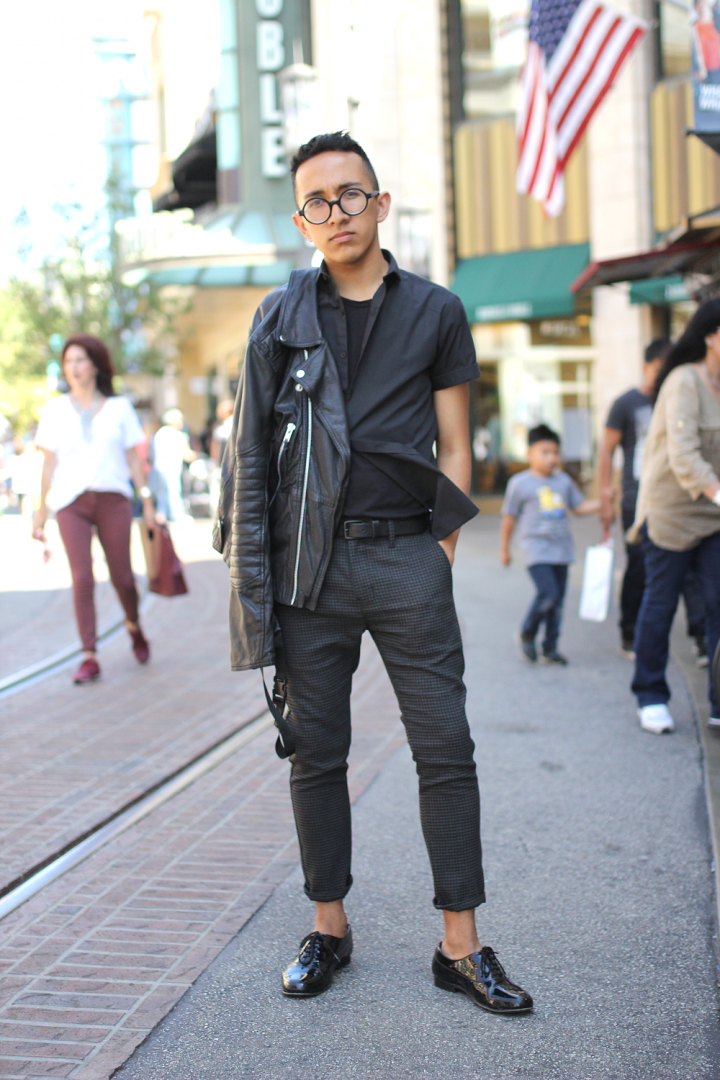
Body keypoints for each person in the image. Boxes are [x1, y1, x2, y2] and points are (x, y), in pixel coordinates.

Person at [214, 131, 533, 1014]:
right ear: (301, 222)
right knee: (316, 755)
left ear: (381, 204)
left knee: (446, 749)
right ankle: (329, 927)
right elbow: (250, 454)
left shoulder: (437, 309)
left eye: (351, 195)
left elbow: (459, 442)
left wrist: (442, 549)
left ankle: (460, 946)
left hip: (406, 558)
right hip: (308, 569)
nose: (337, 213)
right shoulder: (281, 317)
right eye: (318, 202)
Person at [33, 334, 154, 684]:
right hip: (71, 503)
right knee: (82, 578)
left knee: (122, 577)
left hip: (112, 499)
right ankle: (89, 655)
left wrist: (146, 502)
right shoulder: (55, 409)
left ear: (96, 365)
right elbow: (47, 466)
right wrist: (40, 512)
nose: (73, 367)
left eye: (80, 360)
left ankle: (133, 624)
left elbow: (134, 461)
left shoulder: (119, 408)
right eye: (68, 361)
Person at [629, 299, 720, 734]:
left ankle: (718, 701)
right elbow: (684, 456)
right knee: (661, 602)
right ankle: (650, 694)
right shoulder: (684, 381)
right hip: (670, 509)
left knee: (718, 603)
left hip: (714, 513)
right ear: (711, 336)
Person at [500, 423, 600, 664]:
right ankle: (527, 631)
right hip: (536, 550)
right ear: (529, 454)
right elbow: (509, 517)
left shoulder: (563, 481)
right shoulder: (519, 483)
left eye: (555, 452)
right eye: (544, 452)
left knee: (557, 602)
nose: (551, 458)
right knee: (548, 593)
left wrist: (603, 503)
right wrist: (505, 549)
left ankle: (550, 647)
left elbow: (578, 507)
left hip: (562, 551)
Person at [151, 408, 195, 522]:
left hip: (159, 468)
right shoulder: (178, 434)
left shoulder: (159, 433)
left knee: (162, 494)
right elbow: (187, 454)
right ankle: (177, 516)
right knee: (174, 492)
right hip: (172, 467)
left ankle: (161, 515)